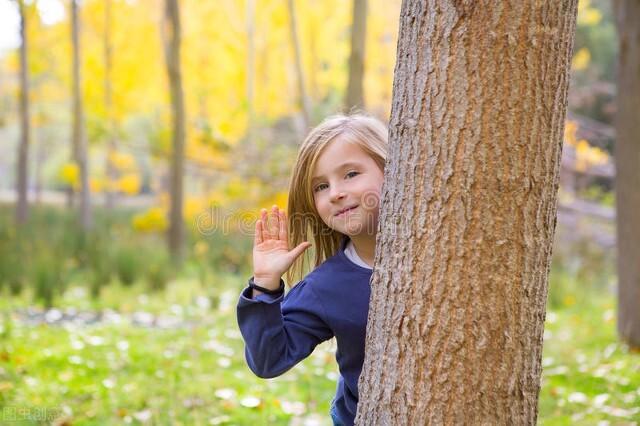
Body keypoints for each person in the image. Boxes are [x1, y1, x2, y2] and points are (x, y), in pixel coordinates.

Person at [236, 113, 388, 426]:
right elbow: (268, 359)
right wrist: (265, 283)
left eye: (350, 174)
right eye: (321, 186)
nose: (335, 193)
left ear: (390, 168)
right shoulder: (326, 286)